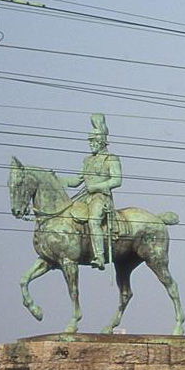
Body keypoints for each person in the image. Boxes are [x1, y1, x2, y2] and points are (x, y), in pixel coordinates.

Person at [62, 113, 123, 269]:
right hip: (84, 197)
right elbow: (76, 181)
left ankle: (99, 256)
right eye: (89, 141)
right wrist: (57, 181)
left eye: (93, 141)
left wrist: (96, 187)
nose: (90, 144)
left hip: (101, 197)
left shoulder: (111, 159)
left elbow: (117, 180)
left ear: (101, 142)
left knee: (93, 220)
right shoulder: (87, 160)